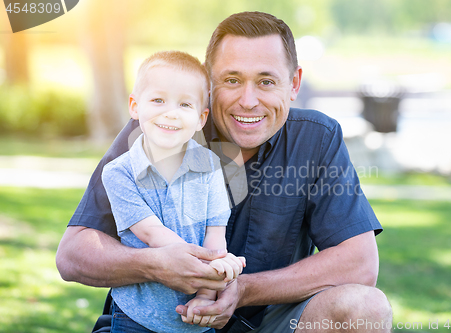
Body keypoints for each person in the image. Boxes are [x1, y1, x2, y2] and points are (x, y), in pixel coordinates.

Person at [57, 11, 393, 333]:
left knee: (365, 308)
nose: (248, 101)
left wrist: (244, 289)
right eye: (232, 80)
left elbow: (360, 264)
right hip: (154, 324)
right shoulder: (157, 129)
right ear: (208, 81)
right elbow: (73, 255)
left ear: (293, 83)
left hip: (266, 324)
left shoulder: (317, 138)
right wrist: (157, 264)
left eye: (266, 81)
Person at [101, 50, 245, 332]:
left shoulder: (211, 166)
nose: (170, 112)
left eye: (185, 104)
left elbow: (215, 233)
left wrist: (206, 292)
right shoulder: (119, 172)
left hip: (194, 319)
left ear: (202, 118)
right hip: (136, 317)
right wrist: (212, 264)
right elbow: (151, 233)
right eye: (158, 100)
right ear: (134, 105)